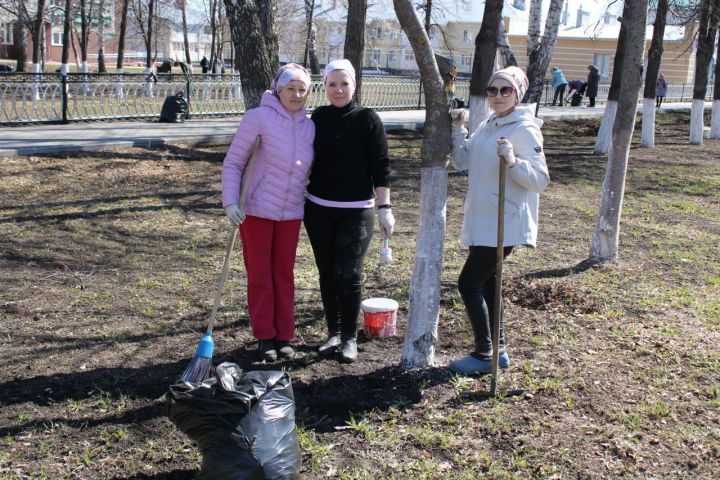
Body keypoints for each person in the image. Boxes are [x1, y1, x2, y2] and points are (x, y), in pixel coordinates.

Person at [447, 66, 550, 375]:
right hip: (483, 218)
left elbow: (541, 180)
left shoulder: (524, 128)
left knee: (468, 283)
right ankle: (498, 351)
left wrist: (514, 161)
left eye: (506, 90)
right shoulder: (490, 124)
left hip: (505, 220)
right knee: (489, 284)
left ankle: (483, 353)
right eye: (493, 90)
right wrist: (458, 128)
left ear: (517, 93)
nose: (498, 96)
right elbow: (463, 160)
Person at [221, 64, 315, 362]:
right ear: (278, 89)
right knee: (260, 274)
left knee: (284, 274)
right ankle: (265, 337)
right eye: (291, 88)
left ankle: (284, 333)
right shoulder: (257, 118)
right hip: (257, 209)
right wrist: (230, 202)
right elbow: (233, 163)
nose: (297, 95)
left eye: (303, 89)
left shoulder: (309, 126)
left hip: (290, 212)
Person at [304, 59, 395, 363]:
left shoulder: (368, 119)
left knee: (350, 274)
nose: (338, 89)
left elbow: (381, 166)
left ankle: (349, 338)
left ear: (355, 86)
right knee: (327, 274)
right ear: (325, 86)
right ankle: (333, 333)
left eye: (344, 83)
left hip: (357, 211)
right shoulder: (318, 117)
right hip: (318, 209)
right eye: (332, 84)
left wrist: (385, 207)